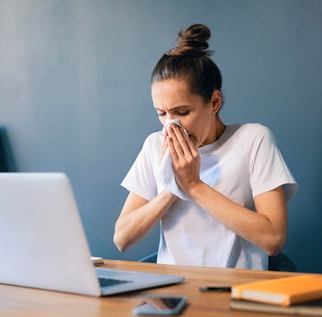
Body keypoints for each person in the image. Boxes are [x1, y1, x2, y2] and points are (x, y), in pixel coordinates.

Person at [113, 24, 297, 270]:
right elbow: (122, 238)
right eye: (161, 113)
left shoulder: (254, 140)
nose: (171, 124)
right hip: (173, 293)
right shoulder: (154, 145)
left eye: (182, 112)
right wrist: (171, 187)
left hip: (238, 294)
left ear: (214, 102)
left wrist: (194, 185)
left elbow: (273, 239)